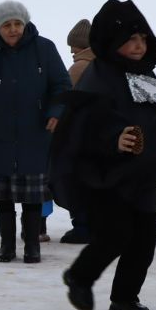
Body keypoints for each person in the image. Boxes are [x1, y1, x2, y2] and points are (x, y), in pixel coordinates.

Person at [53, 0, 156, 310]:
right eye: (131, 39)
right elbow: (82, 125)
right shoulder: (98, 77)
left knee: (145, 237)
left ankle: (125, 298)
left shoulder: (145, 76)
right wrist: (113, 139)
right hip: (106, 176)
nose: (138, 45)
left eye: (143, 39)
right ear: (112, 41)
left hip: (142, 175)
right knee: (115, 234)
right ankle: (80, 276)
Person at [0, 0, 71, 264]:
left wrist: (56, 113)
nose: (13, 30)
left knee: (32, 196)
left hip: (35, 133)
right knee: (3, 195)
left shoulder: (44, 48)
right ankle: (7, 246)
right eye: (7, 25)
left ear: (26, 24)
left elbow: (62, 87)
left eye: (18, 24)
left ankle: (32, 246)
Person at [60, 18, 95, 245]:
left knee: (78, 183)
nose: (71, 50)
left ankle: (82, 227)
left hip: (80, 136)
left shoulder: (79, 67)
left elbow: (64, 100)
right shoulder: (107, 65)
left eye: (73, 45)